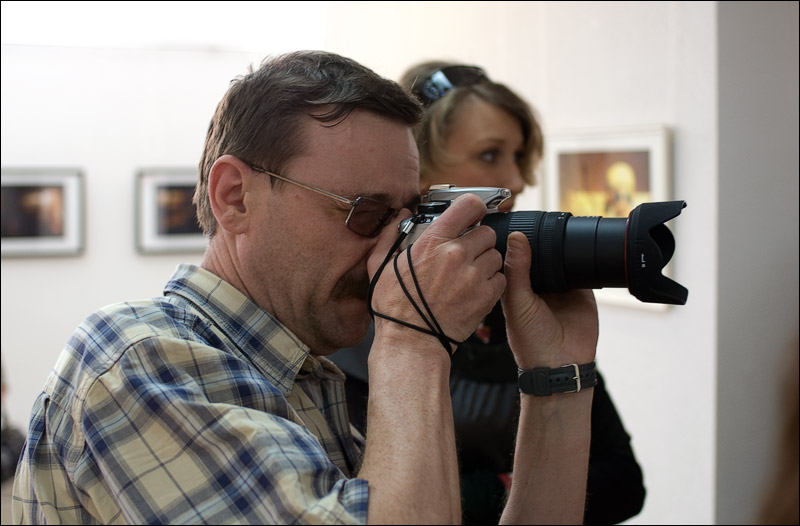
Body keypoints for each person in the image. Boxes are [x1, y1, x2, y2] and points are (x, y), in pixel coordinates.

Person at [12, 51, 599, 524]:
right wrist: (413, 338)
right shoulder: (139, 361)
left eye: (407, 218)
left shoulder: (304, 374)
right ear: (234, 197)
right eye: (367, 213)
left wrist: (557, 377)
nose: (392, 250)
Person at [331, 61, 645, 524]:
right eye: (490, 154)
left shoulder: (509, 296)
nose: (517, 181)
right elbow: (359, 493)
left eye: (518, 157)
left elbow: (623, 482)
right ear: (417, 168)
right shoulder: (351, 319)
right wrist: (510, 485)